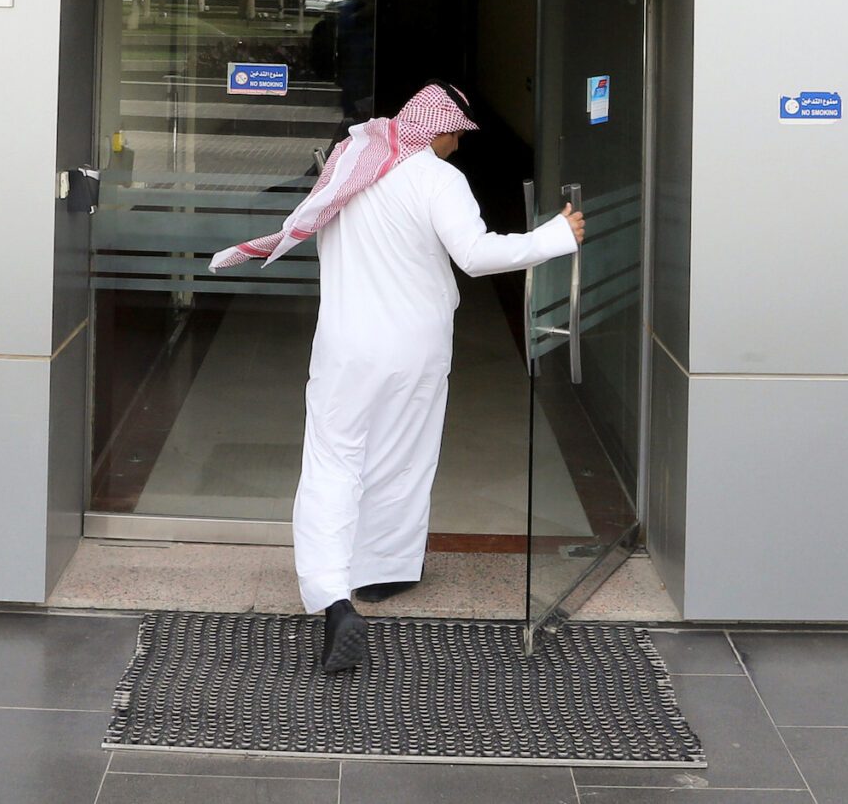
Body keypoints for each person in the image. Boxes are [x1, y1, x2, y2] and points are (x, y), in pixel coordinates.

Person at [212, 82, 582, 673]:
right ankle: (382, 573)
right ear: (434, 128)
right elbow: (476, 255)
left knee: (332, 464)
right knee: (402, 456)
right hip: (413, 349)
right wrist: (556, 236)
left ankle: (333, 599)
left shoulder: (350, 162)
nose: (458, 144)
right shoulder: (437, 180)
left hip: (346, 348)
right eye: (456, 132)